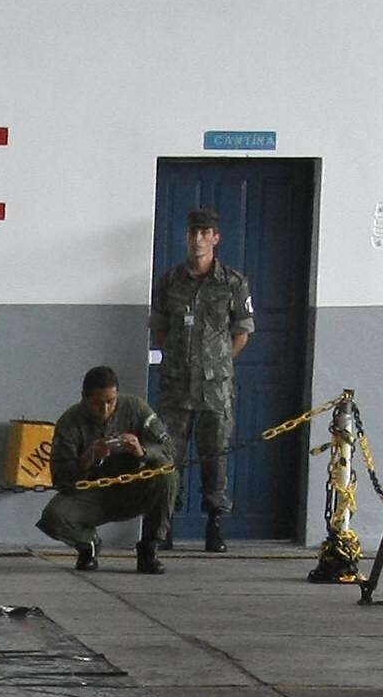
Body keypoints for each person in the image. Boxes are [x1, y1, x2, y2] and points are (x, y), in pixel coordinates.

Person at [149, 208, 253, 552]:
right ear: (187, 236)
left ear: (215, 238)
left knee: (215, 456)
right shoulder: (169, 282)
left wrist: (216, 364)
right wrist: (181, 360)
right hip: (175, 386)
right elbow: (161, 330)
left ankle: (215, 525)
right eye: (193, 232)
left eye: (205, 233)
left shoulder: (233, 282)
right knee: (168, 456)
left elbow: (241, 333)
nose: (198, 239)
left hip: (215, 389)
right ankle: (165, 524)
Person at [34, 365, 174, 575]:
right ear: (84, 398)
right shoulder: (70, 422)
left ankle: (150, 547)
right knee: (54, 517)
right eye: (98, 403)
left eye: (111, 401)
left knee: (167, 473)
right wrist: (89, 458)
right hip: (93, 495)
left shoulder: (136, 408)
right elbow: (61, 478)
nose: (106, 409)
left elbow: (168, 450)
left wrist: (141, 451)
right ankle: (87, 545)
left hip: (135, 488)